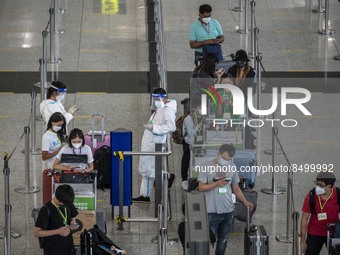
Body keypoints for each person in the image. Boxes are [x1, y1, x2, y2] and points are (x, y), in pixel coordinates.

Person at [197, 144, 253, 255]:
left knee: (223, 240)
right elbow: (201, 187)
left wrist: (245, 201)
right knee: (209, 241)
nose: (226, 161)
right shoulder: (206, 166)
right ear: (219, 153)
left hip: (228, 210)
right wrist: (216, 184)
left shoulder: (232, 167)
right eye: (224, 158)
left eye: (228, 159)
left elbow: (235, 187)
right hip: (211, 212)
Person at [132, 88, 177, 203]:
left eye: (158, 98)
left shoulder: (168, 110)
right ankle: (145, 195)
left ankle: (166, 176)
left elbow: (172, 127)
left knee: (145, 169)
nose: (156, 101)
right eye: (155, 99)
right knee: (146, 167)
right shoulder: (160, 109)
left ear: (165, 98)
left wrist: (154, 128)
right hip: (150, 141)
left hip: (154, 143)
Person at [300, 172, 340, 255]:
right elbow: (304, 219)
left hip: (333, 232)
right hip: (314, 232)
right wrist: (303, 240)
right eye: (317, 184)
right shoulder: (311, 196)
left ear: (329, 186)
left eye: (321, 185)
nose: (317, 187)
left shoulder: (338, 195)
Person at [33, 184, 79, 255]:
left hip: (69, 246)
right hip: (54, 249)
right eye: (64, 204)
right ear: (60, 201)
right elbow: (37, 232)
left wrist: (73, 221)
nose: (67, 205)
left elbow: (73, 216)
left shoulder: (67, 202)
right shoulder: (46, 210)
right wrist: (58, 231)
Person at [181, 98, 203, 190]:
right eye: (199, 107)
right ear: (194, 108)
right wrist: (200, 124)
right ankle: (184, 179)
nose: (201, 109)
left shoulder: (200, 117)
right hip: (188, 142)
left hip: (198, 142)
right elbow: (190, 133)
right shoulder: (188, 119)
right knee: (186, 160)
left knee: (196, 161)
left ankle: (196, 178)